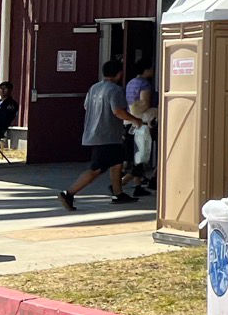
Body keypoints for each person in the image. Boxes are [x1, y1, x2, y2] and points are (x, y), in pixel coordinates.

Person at [57, 61, 142, 210]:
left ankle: (118, 193)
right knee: (96, 169)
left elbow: (85, 106)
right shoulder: (115, 90)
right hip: (107, 135)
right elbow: (118, 111)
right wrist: (135, 120)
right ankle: (69, 193)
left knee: (117, 162)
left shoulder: (94, 88)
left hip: (95, 133)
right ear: (119, 74)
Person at [124, 60, 156, 196]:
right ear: (146, 70)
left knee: (137, 155)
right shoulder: (144, 84)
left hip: (128, 121)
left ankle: (138, 186)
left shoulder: (131, 83)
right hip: (141, 122)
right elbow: (144, 103)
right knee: (142, 155)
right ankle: (120, 182)